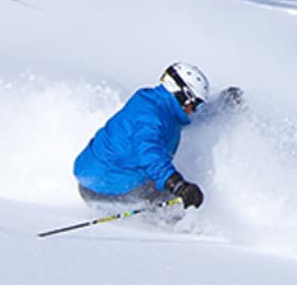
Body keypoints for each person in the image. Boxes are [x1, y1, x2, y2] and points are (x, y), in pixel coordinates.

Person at [72, 62, 222, 210]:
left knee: (170, 194)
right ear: (183, 96)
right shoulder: (149, 117)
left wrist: (221, 107)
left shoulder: (158, 105)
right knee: (177, 208)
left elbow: (191, 121)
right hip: (103, 188)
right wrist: (177, 185)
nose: (195, 110)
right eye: (196, 104)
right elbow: (149, 152)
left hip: (97, 177)